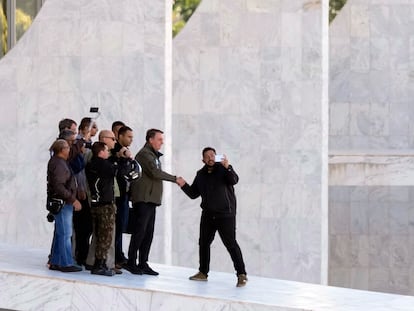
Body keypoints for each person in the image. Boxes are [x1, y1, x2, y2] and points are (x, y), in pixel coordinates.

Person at [176, 147, 248, 287]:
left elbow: (234, 180)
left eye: (212, 155)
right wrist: (183, 185)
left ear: (216, 156)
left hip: (225, 214)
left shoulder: (223, 169)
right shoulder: (200, 174)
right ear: (203, 160)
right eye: (207, 156)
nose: (210, 157)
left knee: (231, 244)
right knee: (203, 243)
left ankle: (241, 274)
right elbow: (193, 194)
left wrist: (228, 167)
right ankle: (203, 273)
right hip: (208, 214)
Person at [125, 128, 177, 275]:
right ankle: (131, 261)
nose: (162, 142)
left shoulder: (153, 155)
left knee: (148, 233)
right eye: (159, 139)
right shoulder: (145, 154)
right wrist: (175, 179)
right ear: (150, 140)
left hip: (151, 200)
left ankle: (143, 262)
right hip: (143, 199)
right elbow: (155, 172)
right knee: (139, 231)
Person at [85, 130, 121, 274]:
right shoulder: (103, 165)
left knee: (99, 234)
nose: (107, 153)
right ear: (100, 152)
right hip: (105, 205)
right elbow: (117, 170)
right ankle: (99, 265)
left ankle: (98, 264)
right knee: (105, 236)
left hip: (95, 204)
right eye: (106, 150)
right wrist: (122, 159)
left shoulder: (91, 164)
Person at [47, 139, 82, 272]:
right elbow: (59, 186)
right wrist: (73, 200)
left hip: (62, 202)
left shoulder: (59, 162)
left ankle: (56, 261)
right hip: (62, 203)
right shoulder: (59, 164)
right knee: (65, 234)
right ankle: (65, 263)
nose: (69, 150)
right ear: (62, 150)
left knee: (61, 233)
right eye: (67, 147)